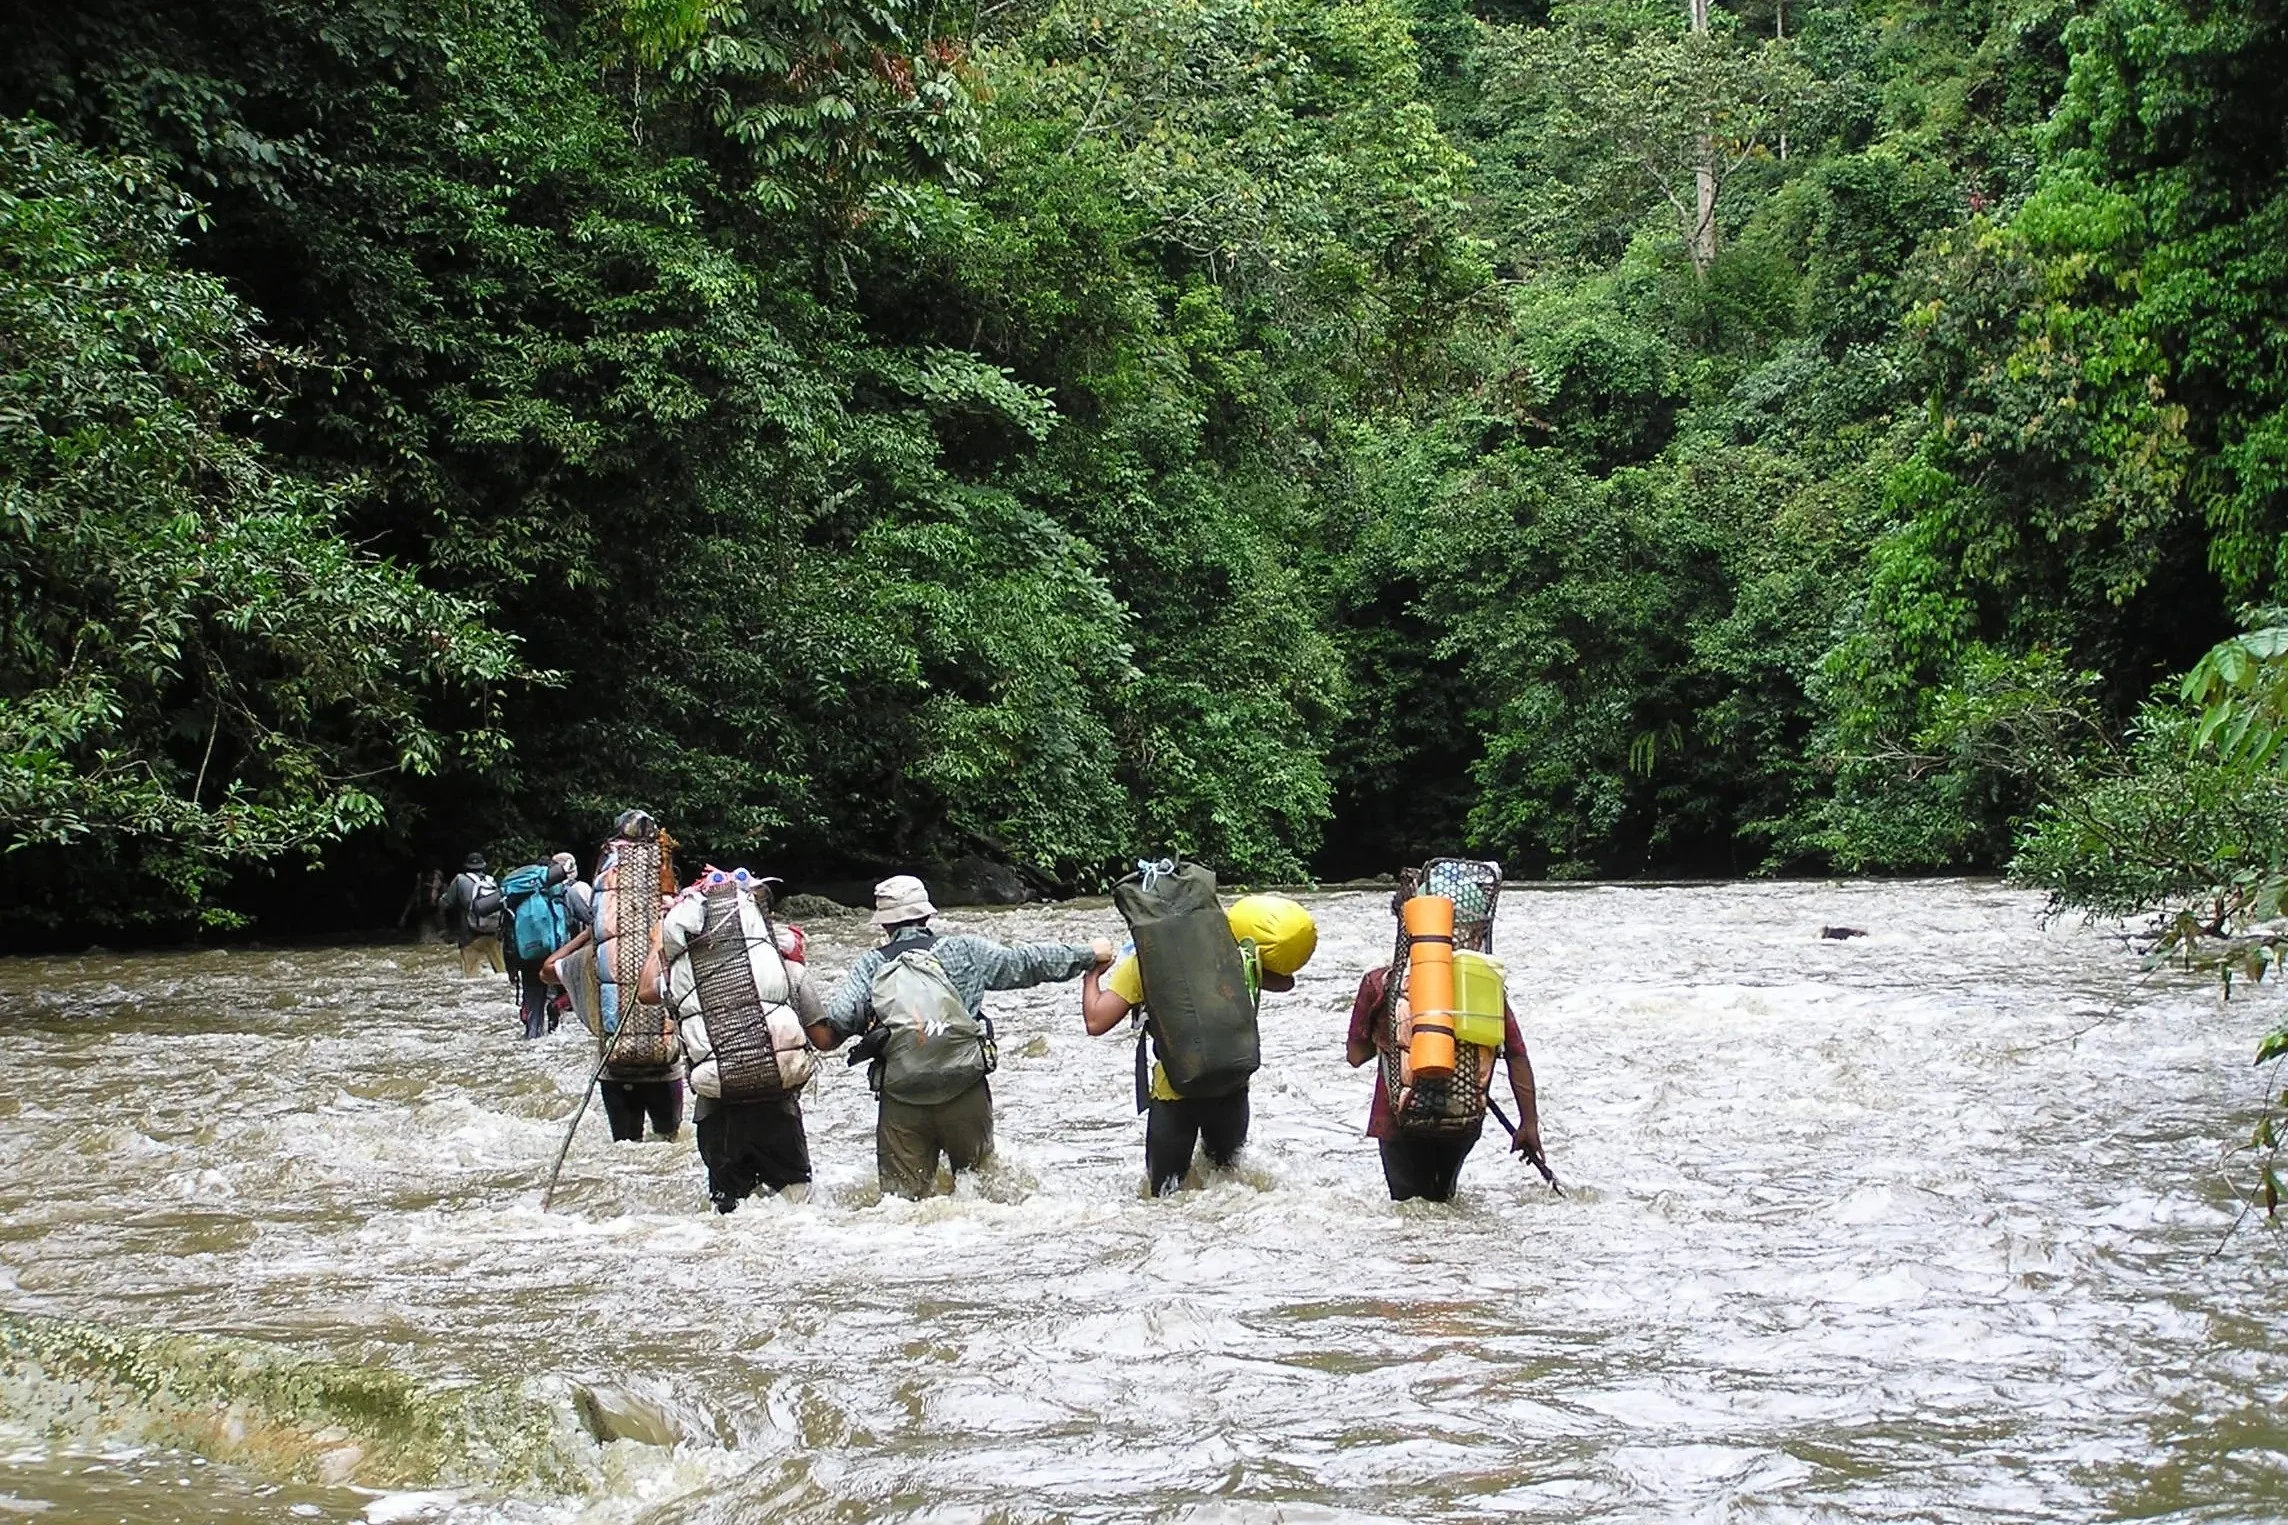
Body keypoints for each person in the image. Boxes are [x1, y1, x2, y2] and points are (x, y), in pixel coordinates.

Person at [817, 874, 1112, 1200]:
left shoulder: (871, 966)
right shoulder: (964, 950)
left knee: (901, 1203)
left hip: (902, 1098)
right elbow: (1026, 963)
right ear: (926, 915)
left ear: (884, 923)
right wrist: (1088, 954)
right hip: (964, 1090)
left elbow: (839, 1018)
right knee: (982, 1191)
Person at [1080, 891, 1317, 1195]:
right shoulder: (1234, 951)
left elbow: (1096, 1022)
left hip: (1175, 1093)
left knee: (1165, 1196)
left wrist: (1091, 975)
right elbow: (1286, 982)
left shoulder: (1147, 960)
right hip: (1232, 1086)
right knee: (1229, 1184)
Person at [1344, 884, 1546, 1203]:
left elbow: (1355, 1056)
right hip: (1461, 1120)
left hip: (1397, 1122)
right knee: (1443, 1199)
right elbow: (1516, 1055)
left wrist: (1389, 1037)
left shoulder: (1381, 982)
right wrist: (1529, 1123)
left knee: (1409, 1209)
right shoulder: (1482, 986)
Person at [641, 868, 822, 1210]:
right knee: (796, 1207)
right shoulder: (785, 971)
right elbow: (824, 1037)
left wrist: (657, 943)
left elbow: (646, 992)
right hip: (778, 1111)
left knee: (728, 1213)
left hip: (717, 1112)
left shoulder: (686, 980)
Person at [438, 853, 505, 979]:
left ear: (466, 866)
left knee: (471, 979)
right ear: (483, 866)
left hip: (470, 935)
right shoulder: (491, 880)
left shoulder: (460, 880)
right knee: (502, 974)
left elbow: (445, 904)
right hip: (493, 933)